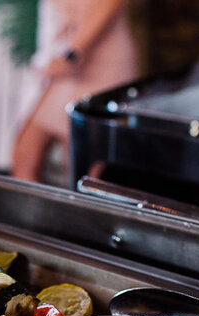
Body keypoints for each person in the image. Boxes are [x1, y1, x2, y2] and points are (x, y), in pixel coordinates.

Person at [12, 0, 139, 182]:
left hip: (101, 64)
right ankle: (29, 209)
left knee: (80, 169)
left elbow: (108, 4)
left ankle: (78, 208)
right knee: (25, 155)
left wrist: (71, 54)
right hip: (71, 64)